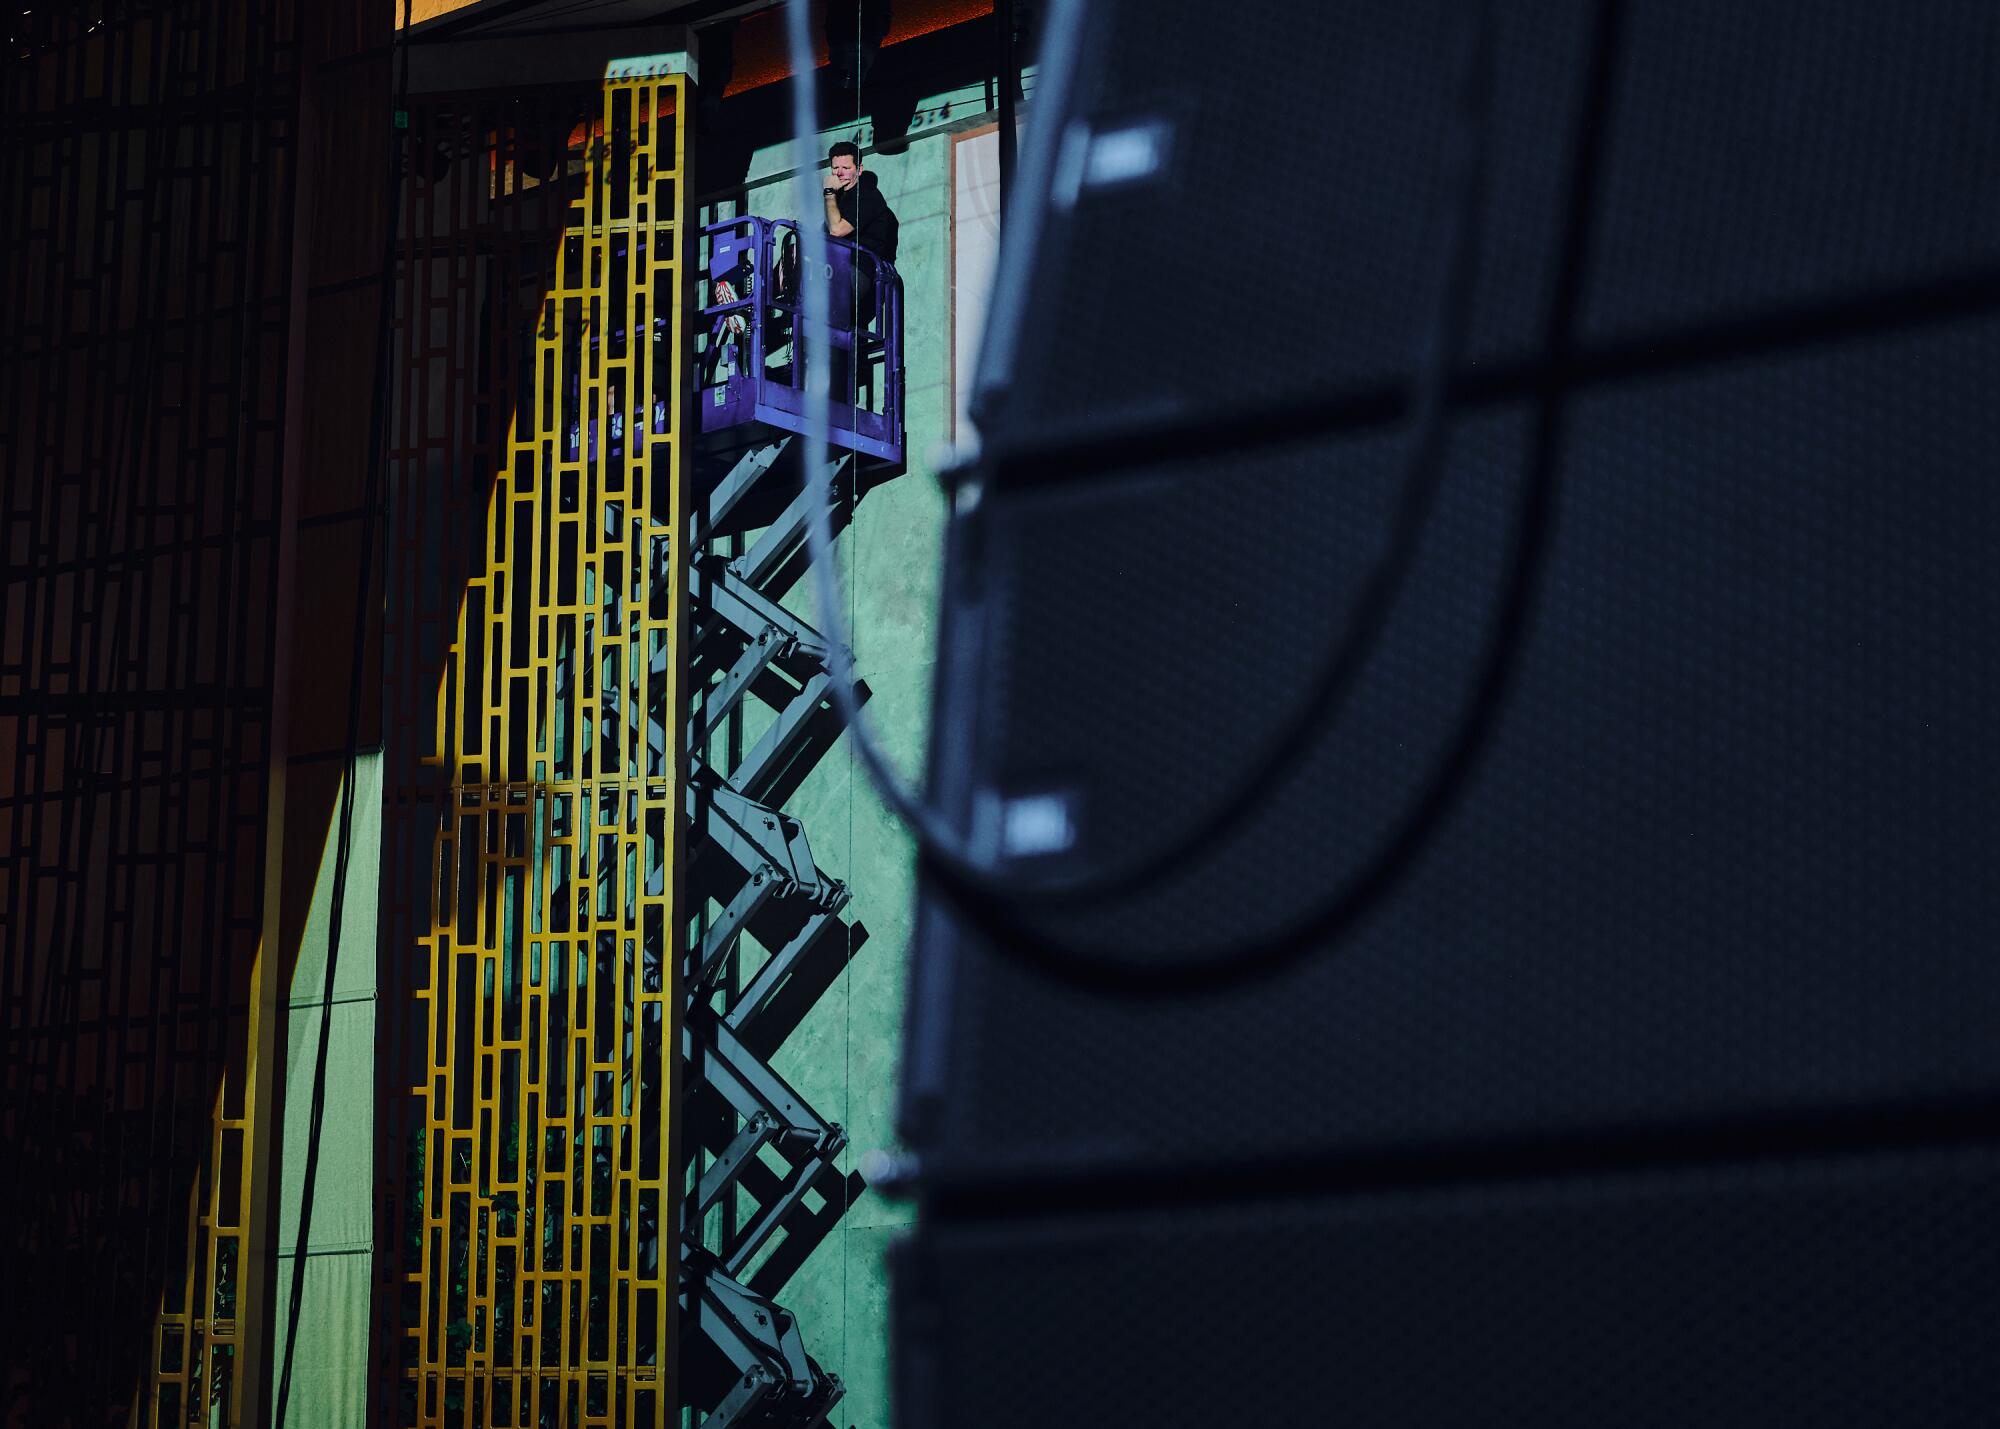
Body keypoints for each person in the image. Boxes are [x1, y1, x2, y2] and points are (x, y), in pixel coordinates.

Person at [821, 140, 898, 330]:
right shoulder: (839, 202)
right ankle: (753, 299)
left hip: (858, 271)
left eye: (846, 168)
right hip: (833, 268)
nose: (839, 173)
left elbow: (836, 230)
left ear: (859, 169)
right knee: (796, 249)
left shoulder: (869, 196)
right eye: (835, 168)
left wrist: (829, 193)